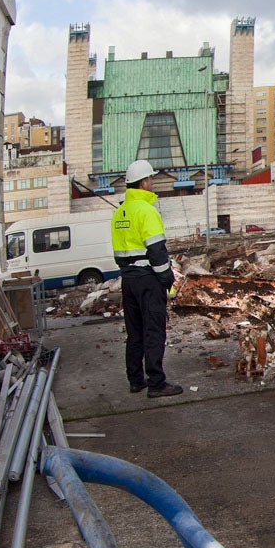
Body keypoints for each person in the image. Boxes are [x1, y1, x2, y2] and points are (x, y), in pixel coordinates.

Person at [110, 160, 183, 397]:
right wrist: (167, 279)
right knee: (154, 330)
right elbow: (157, 252)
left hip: (128, 279)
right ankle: (156, 383)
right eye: (151, 179)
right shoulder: (146, 211)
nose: (153, 183)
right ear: (144, 182)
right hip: (148, 279)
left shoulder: (120, 212)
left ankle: (135, 379)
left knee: (135, 331)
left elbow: (119, 252)